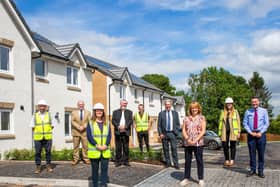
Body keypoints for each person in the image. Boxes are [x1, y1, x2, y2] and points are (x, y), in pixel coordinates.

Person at [180, 102, 206, 186]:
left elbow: (203, 131)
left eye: (195, 108)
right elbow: (183, 130)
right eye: (192, 108)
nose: (194, 109)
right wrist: (187, 139)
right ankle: (186, 178)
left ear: (198, 108)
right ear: (190, 109)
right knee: (187, 161)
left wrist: (195, 140)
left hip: (198, 143)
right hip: (188, 144)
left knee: (199, 161)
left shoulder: (202, 118)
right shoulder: (186, 118)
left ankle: (201, 179)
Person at [243, 96, 269, 178]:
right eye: (253, 102)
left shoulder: (264, 111)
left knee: (261, 154)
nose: (254, 103)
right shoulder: (247, 111)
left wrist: (261, 132)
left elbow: (266, 123)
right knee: (252, 154)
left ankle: (260, 171)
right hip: (251, 135)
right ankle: (252, 170)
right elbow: (245, 123)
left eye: (255, 101)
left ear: (258, 102)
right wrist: (250, 132)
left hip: (261, 135)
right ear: (251, 103)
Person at [87, 103, 111, 187]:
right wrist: (96, 145)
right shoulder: (90, 123)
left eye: (100, 110)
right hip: (95, 150)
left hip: (105, 150)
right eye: (97, 110)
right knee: (95, 170)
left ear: (103, 112)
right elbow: (89, 136)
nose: (99, 112)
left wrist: (105, 145)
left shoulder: (107, 123)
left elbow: (109, 135)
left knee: (104, 170)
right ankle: (95, 185)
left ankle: (104, 184)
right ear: (95, 111)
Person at [30, 100, 55, 174]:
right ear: (38, 107)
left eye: (43, 106)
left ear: (46, 107)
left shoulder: (50, 115)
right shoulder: (34, 116)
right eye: (40, 106)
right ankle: (38, 167)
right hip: (38, 138)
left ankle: (48, 166)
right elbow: (32, 127)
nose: (42, 107)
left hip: (48, 137)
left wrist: (46, 132)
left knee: (48, 152)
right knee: (38, 152)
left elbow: (52, 126)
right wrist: (39, 132)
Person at [218, 97, 241, 167]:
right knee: (225, 146)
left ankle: (232, 160)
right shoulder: (222, 112)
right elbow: (220, 123)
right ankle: (227, 160)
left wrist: (239, 132)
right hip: (224, 132)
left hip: (233, 132)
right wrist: (219, 133)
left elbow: (238, 122)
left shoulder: (235, 112)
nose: (229, 105)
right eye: (227, 103)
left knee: (233, 146)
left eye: (230, 103)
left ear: (232, 104)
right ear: (225, 104)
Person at [158, 99, 180, 169]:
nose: (167, 106)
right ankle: (168, 163)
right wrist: (160, 133)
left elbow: (178, 124)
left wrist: (176, 132)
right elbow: (159, 125)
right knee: (165, 149)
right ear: (165, 105)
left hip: (172, 133)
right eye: (166, 104)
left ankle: (176, 164)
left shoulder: (175, 113)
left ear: (171, 105)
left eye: (169, 104)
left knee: (174, 148)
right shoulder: (161, 113)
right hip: (164, 134)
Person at [112, 99, 133, 167]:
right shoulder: (115, 112)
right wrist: (118, 126)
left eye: (125, 103)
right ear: (120, 104)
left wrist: (125, 126)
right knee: (118, 147)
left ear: (126, 104)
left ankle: (126, 161)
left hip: (126, 131)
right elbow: (113, 120)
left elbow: (130, 121)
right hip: (118, 131)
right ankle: (118, 161)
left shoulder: (129, 112)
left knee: (126, 147)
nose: (124, 105)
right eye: (123, 103)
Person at [71, 100, 91, 165]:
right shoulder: (73, 112)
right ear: (77, 105)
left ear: (84, 105)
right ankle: (76, 159)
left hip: (84, 132)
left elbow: (89, 121)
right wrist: (78, 127)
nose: (81, 105)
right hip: (76, 132)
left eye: (82, 104)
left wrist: (84, 126)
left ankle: (86, 159)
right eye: (79, 104)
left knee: (85, 146)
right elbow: (72, 121)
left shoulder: (88, 112)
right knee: (76, 147)